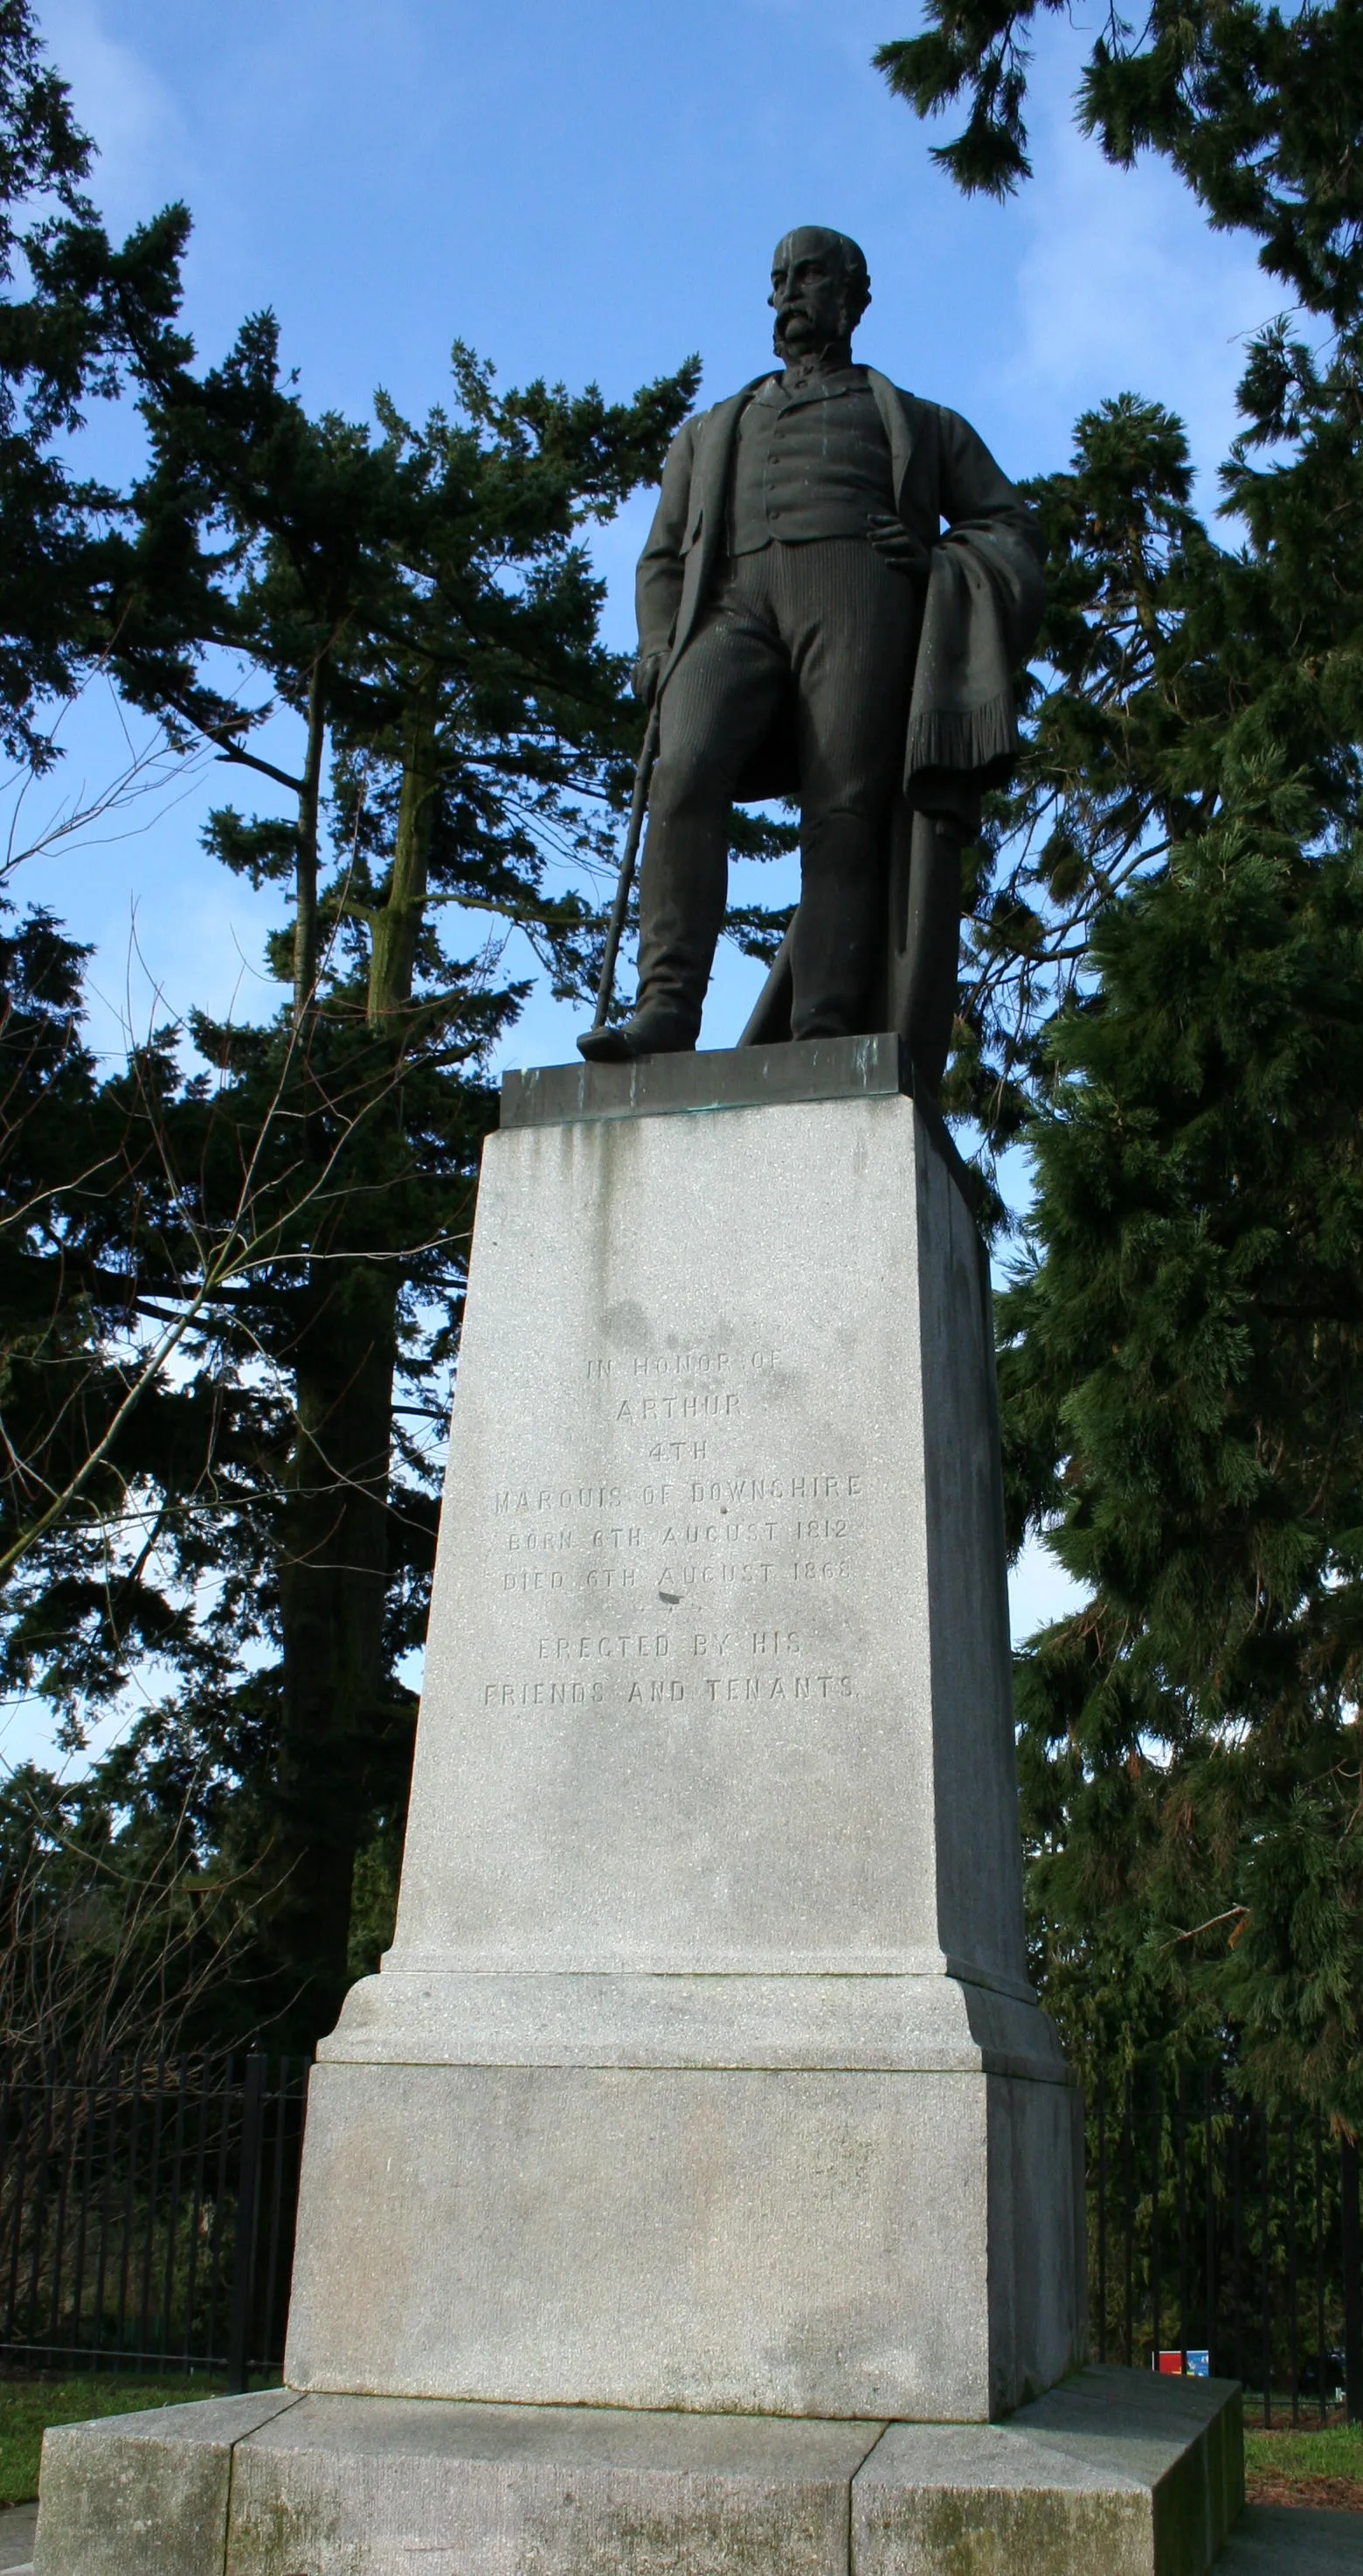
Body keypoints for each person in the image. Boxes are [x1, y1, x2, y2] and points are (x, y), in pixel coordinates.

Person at [578, 225, 1042, 1088]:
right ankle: (666, 1008)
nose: (790, 293)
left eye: (812, 276)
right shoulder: (709, 433)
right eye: (780, 278)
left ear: (855, 296)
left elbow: (1009, 528)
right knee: (683, 769)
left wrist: (936, 563)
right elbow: (664, 558)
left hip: (857, 594)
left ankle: (823, 1029)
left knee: (844, 810)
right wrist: (654, 642)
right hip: (734, 604)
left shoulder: (922, 423)